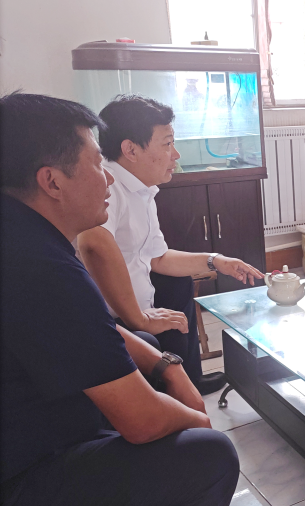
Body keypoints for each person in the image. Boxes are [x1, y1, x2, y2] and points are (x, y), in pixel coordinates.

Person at [0, 92, 238, 505]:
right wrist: (197, 420)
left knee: (145, 345)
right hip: (23, 471)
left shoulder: (22, 233)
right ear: (52, 181)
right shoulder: (41, 268)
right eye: (96, 164)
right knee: (209, 453)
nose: (107, 177)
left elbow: (95, 321)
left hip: (29, 418)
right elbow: (144, 422)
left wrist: (169, 366)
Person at [77, 94, 264, 395]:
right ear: (131, 150)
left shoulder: (141, 189)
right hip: (114, 317)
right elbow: (93, 241)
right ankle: (172, 390)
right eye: (167, 144)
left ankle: (190, 379)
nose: (175, 154)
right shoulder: (108, 185)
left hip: (140, 304)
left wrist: (216, 260)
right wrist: (137, 318)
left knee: (177, 283)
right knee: (164, 305)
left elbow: (158, 258)